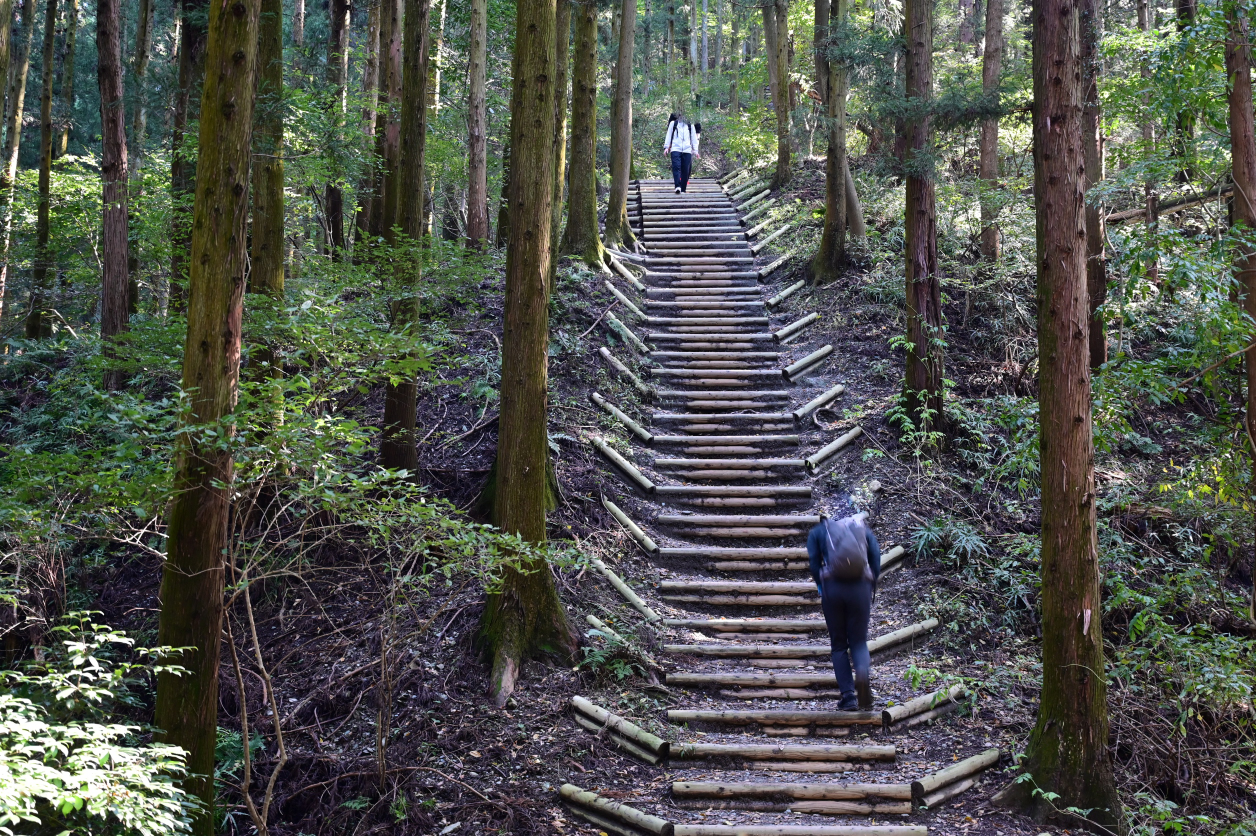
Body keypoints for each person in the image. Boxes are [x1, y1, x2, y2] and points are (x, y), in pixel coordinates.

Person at [807, 513, 881, 711]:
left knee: (839, 644)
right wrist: (870, 583)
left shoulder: (818, 531)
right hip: (860, 589)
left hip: (833, 589)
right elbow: (875, 559)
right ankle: (863, 675)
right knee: (858, 640)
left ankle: (848, 697)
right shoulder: (861, 529)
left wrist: (821, 586)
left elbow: (814, 564)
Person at [663, 114, 700, 194]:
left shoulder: (691, 126)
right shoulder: (673, 124)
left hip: (687, 150)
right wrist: (666, 147)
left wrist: (696, 151)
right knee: (676, 167)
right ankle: (677, 186)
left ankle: (683, 189)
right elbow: (669, 135)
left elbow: (694, 138)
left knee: (685, 170)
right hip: (675, 148)